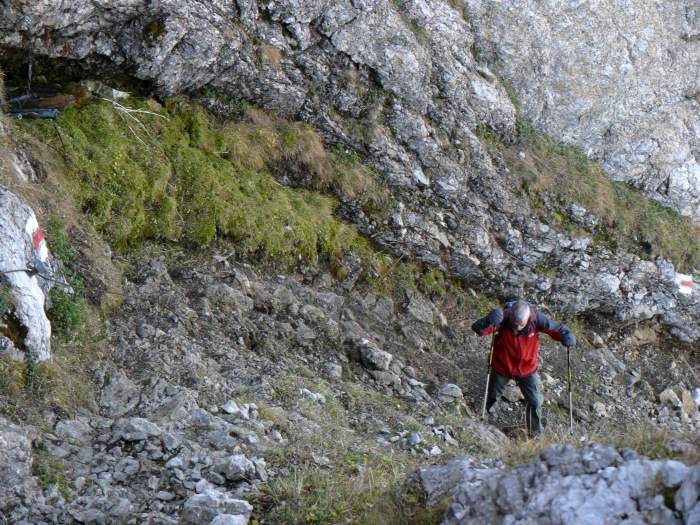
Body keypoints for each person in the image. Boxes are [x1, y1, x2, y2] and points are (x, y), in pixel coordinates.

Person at [471, 300, 575, 436]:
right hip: (502, 367)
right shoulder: (503, 318)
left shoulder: (536, 318)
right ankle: (490, 416)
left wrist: (565, 336)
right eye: (515, 323)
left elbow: (555, 329)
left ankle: (535, 434)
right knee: (493, 394)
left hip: (528, 369)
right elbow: (479, 330)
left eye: (521, 324)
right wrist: (487, 321)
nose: (517, 327)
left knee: (535, 401)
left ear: (527, 318)